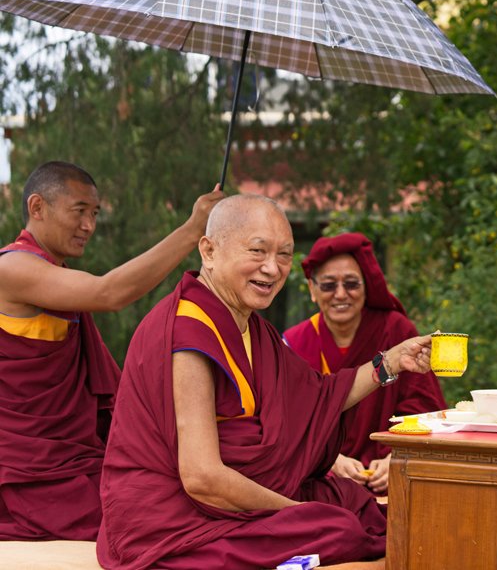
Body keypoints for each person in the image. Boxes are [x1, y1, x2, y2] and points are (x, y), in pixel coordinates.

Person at [96, 194, 433, 569]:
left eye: (285, 255)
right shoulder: (188, 335)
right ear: (208, 251)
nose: (272, 268)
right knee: (337, 528)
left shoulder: (251, 328)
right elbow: (201, 478)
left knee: (355, 504)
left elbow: (320, 397)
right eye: (257, 251)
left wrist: (390, 362)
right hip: (170, 515)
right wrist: (298, 513)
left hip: (234, 489)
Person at [0, 160, 222, 542]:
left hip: (74, 457)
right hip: (33, 475)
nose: (89, 226)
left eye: (95, 213)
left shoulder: (54, 274)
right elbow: (110, 293)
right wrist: (191, 232)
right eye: (79, 211)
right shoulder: (13, 268)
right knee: (152, 523)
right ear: (37, 208)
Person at [283, 232, 446, 494]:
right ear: (312, 290)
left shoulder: (396, 331)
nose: (340, 294)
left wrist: (399, 456)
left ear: (366, 286)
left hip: (393, 476)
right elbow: (286, 424)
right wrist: (329, 461)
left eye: (351, 284)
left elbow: (423, 410)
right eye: (328, 285)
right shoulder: (294, 343)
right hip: (320, 478)